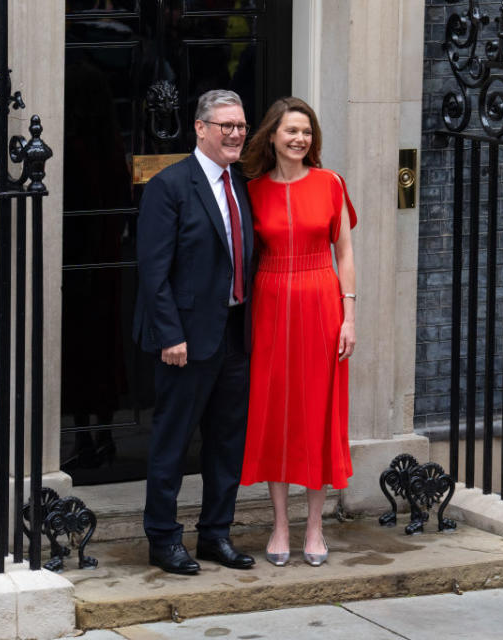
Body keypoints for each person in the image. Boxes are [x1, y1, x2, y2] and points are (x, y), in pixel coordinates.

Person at [133, 89, 256, 575]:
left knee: (227, 442)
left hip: (234, 334)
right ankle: (163, 538)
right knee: (173, 441)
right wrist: (170, 335)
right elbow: (152, 270)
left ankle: (215, 534)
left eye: (241, 126)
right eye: (225, 125)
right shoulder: (170, 185)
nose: (235, 134)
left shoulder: (241, 182)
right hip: (185, 339)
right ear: (200, 128)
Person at [239, 97, 357, 567]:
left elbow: (345, 253)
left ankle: (314, 525)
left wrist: (349, 315)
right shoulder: (252, 191)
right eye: (290, 130)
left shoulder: (331, 183)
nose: (299, 139)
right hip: (270, 302)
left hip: (321, 300)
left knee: (316, 412)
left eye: (306, 131)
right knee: (275, 411)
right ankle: (280, 524)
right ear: (272, 135)